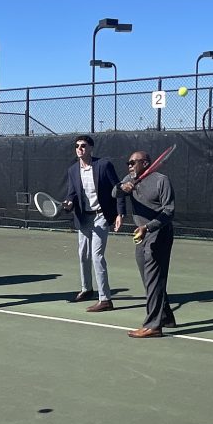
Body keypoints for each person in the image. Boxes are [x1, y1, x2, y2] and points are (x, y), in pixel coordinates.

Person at [112, 150, 176, 338]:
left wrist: (148, 227)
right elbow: (113, 192)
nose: (129, 166)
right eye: (128, 163)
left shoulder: (161, 180)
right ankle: (165, 317)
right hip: (141, 235)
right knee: (150, 280)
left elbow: (169, 211)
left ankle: (153, 326)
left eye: (133, 162)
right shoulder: (129, 178)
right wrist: (122, 187)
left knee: (153, 279)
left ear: (146, 163)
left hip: (159, 234)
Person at [61, 135, 125, 312]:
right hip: (84, 218)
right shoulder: (73, 170)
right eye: (77, 146)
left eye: (83, 145)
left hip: (101, 216)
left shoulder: (104, 165)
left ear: (90, 148)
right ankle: (86, 289)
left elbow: (118, 189)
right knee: (83, 254)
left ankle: (105, 299)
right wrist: (69, 203)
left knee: (97, 256)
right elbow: (72, 194)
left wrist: (120, 213)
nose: (79, 148)